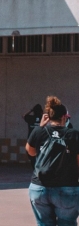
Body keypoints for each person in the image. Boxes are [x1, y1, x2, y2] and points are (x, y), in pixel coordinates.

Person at [25, 96, 79, 226]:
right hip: (66, 188)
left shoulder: (38, 131)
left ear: (48, 117)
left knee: (44, 223)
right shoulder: (73, 134)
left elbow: (30, 151)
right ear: (64, 117)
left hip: (39, 188)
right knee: (67, 222)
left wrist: (41, 127)